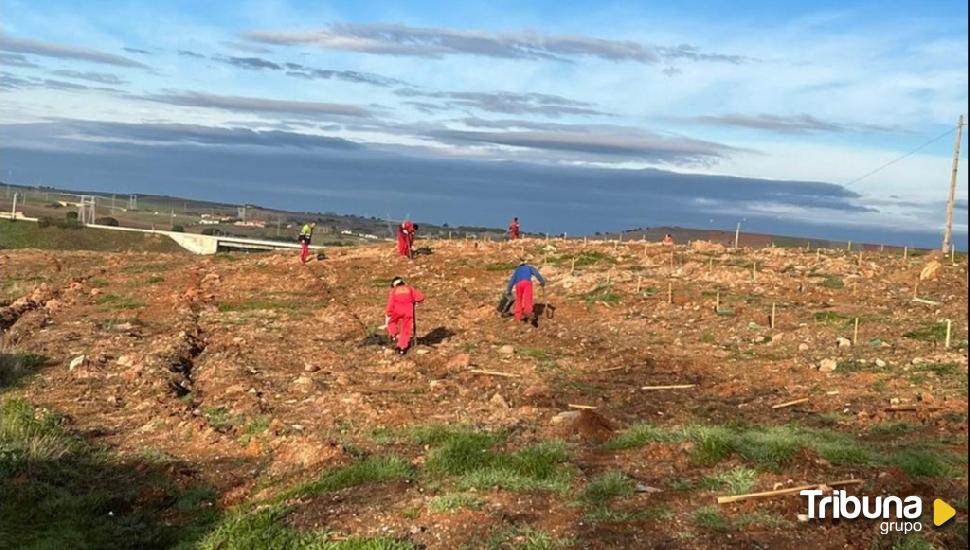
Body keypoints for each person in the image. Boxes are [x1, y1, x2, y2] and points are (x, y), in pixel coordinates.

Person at [384, 276, 424, 354]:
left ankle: (394, 335)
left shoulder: (394, 291)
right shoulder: (410, 288)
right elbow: (420, 297)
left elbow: (390, 303)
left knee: (391, 323)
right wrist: (414, 301)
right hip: (409, 311)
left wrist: (388, 312)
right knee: (406, 329)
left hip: (397, 311)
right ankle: (402, 348)